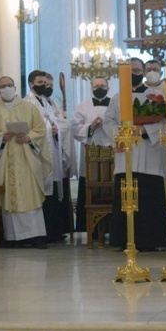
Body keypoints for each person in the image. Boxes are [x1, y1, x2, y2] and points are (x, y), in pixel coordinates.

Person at [104, 57, 166, 251]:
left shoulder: (156, 95)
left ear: (142, 72)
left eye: (137, 71)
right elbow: (108, 121)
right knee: (126, 196)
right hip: (126, 152)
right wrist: (121, 133)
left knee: (149, 196)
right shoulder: (117, 98)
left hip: (149, 154)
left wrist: (143, 130)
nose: (133, 74)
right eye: (129, 71)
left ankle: (152, 240)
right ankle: (124, 239)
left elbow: (165, 123)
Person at [0, 76, 52, 248]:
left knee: (30, 195)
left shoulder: (30, 108)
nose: (6, 88)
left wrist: (29, 137)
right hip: (5, 162)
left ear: (15, 87)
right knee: (9, 196)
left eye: (9, 85)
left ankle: (36, 236)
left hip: (27, 160)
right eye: (3, 86)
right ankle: (13, 237)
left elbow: (40, 130)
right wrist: (0, 138)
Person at [24, 70, 75, 242]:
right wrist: (49, 129)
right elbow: (30, 127)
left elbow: (56, 122)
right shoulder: (26, 103)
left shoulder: (47, 102)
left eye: (45, 82)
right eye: (40, 82)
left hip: (52, 147)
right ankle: (42, 232)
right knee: (42, 190)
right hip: (37, 153)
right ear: (31, 84)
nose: (44, 85)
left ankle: (53, 230)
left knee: (53, 189)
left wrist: (56, 130)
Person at [70, 76, 112, 232]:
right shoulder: (83, 106)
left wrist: (107, 124)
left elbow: (122, 124)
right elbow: (74, 127)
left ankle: (110, 228)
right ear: (91, 88)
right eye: (96, 86)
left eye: (102, 85)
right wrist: (91, 126)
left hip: (111, 152)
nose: (99, 88)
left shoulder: (116, 104)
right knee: (90, 186)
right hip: (91, 153)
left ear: (108, 87)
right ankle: (89, 228)